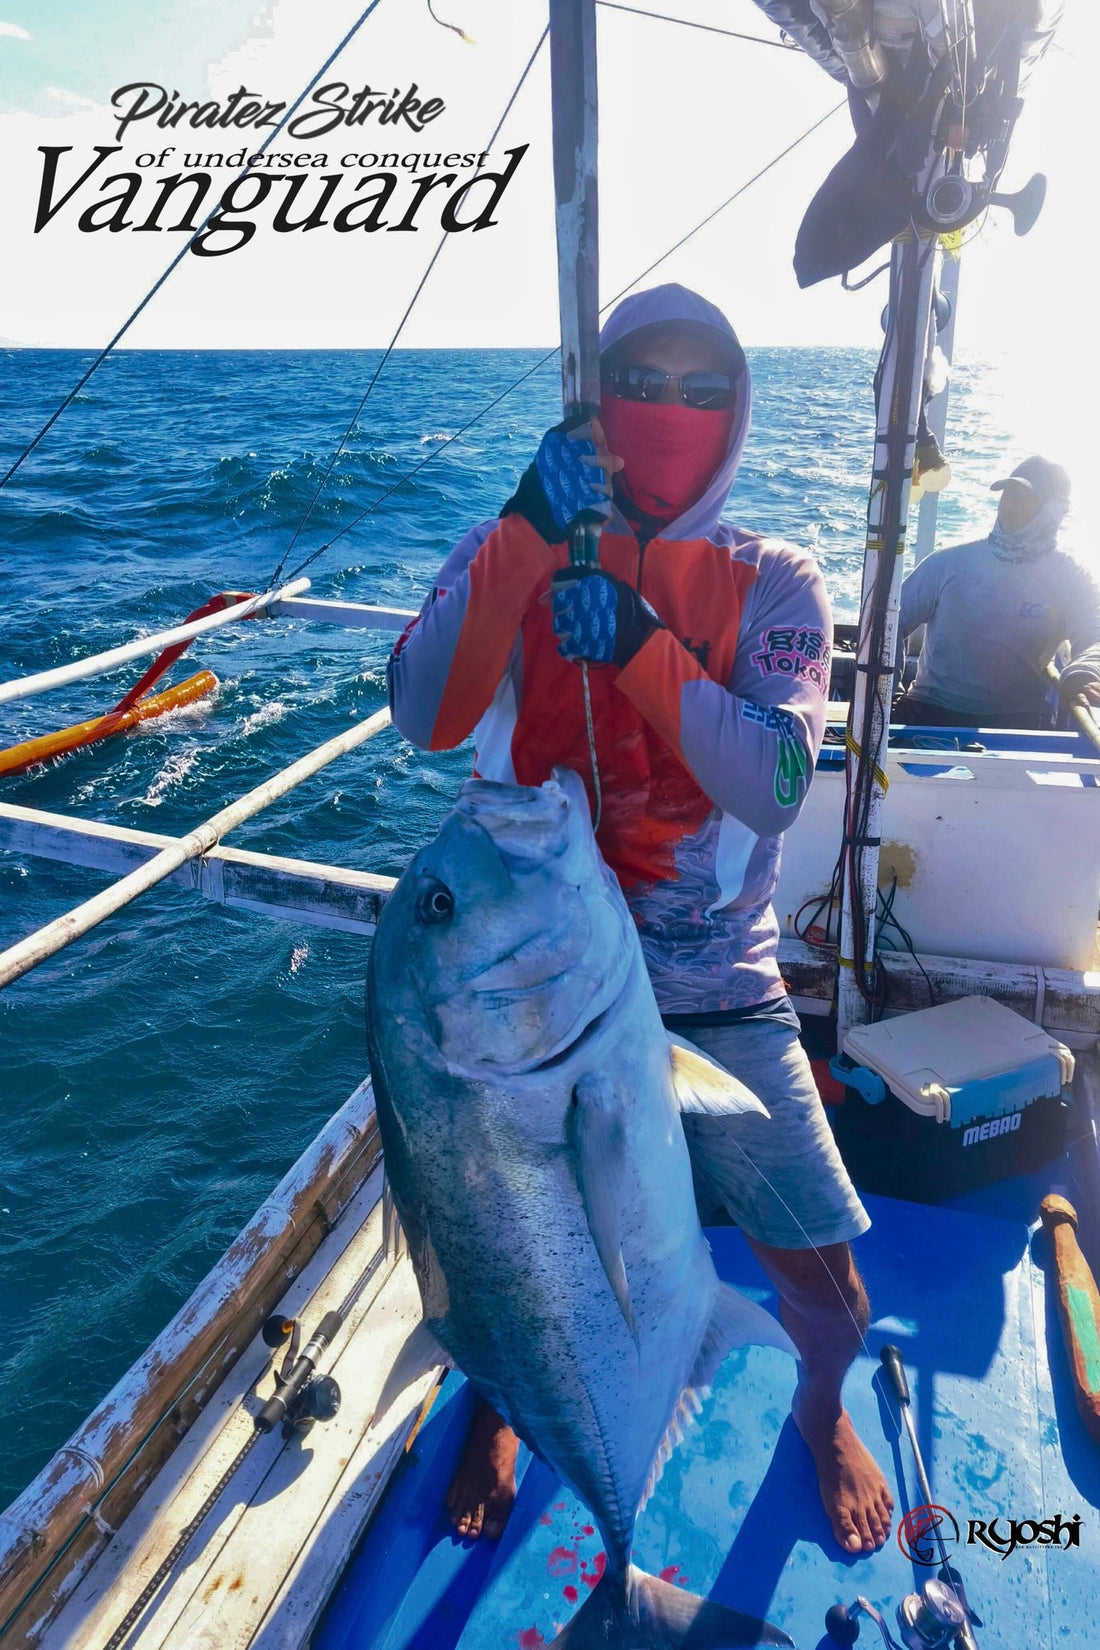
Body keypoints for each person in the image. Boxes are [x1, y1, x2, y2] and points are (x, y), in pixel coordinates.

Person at [387, 282, 894, 1556]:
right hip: (530, 981)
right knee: (496, 1252)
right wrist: (518, 536)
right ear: (595, 400)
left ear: (738, 410)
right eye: (642, 382)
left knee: (829, 1288)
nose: (668, 410)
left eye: (700, 386)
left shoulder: (771, 580)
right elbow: (422, 714)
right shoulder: (517, 539)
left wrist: (639, 646)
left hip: (715, 984)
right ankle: (505, 1405)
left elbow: (769, 780)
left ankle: (820, 1413)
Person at [895, 455, 1100, 728]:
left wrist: (1084, 672)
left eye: (1025, 498)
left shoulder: (1072, 577)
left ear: (1053, 510)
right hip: (929, 712)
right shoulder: (947, 563)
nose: (1010, 506)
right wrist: (888, 691)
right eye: (1008, 495)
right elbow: (888, 623)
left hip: (1019, 720)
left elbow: (1094, 637)